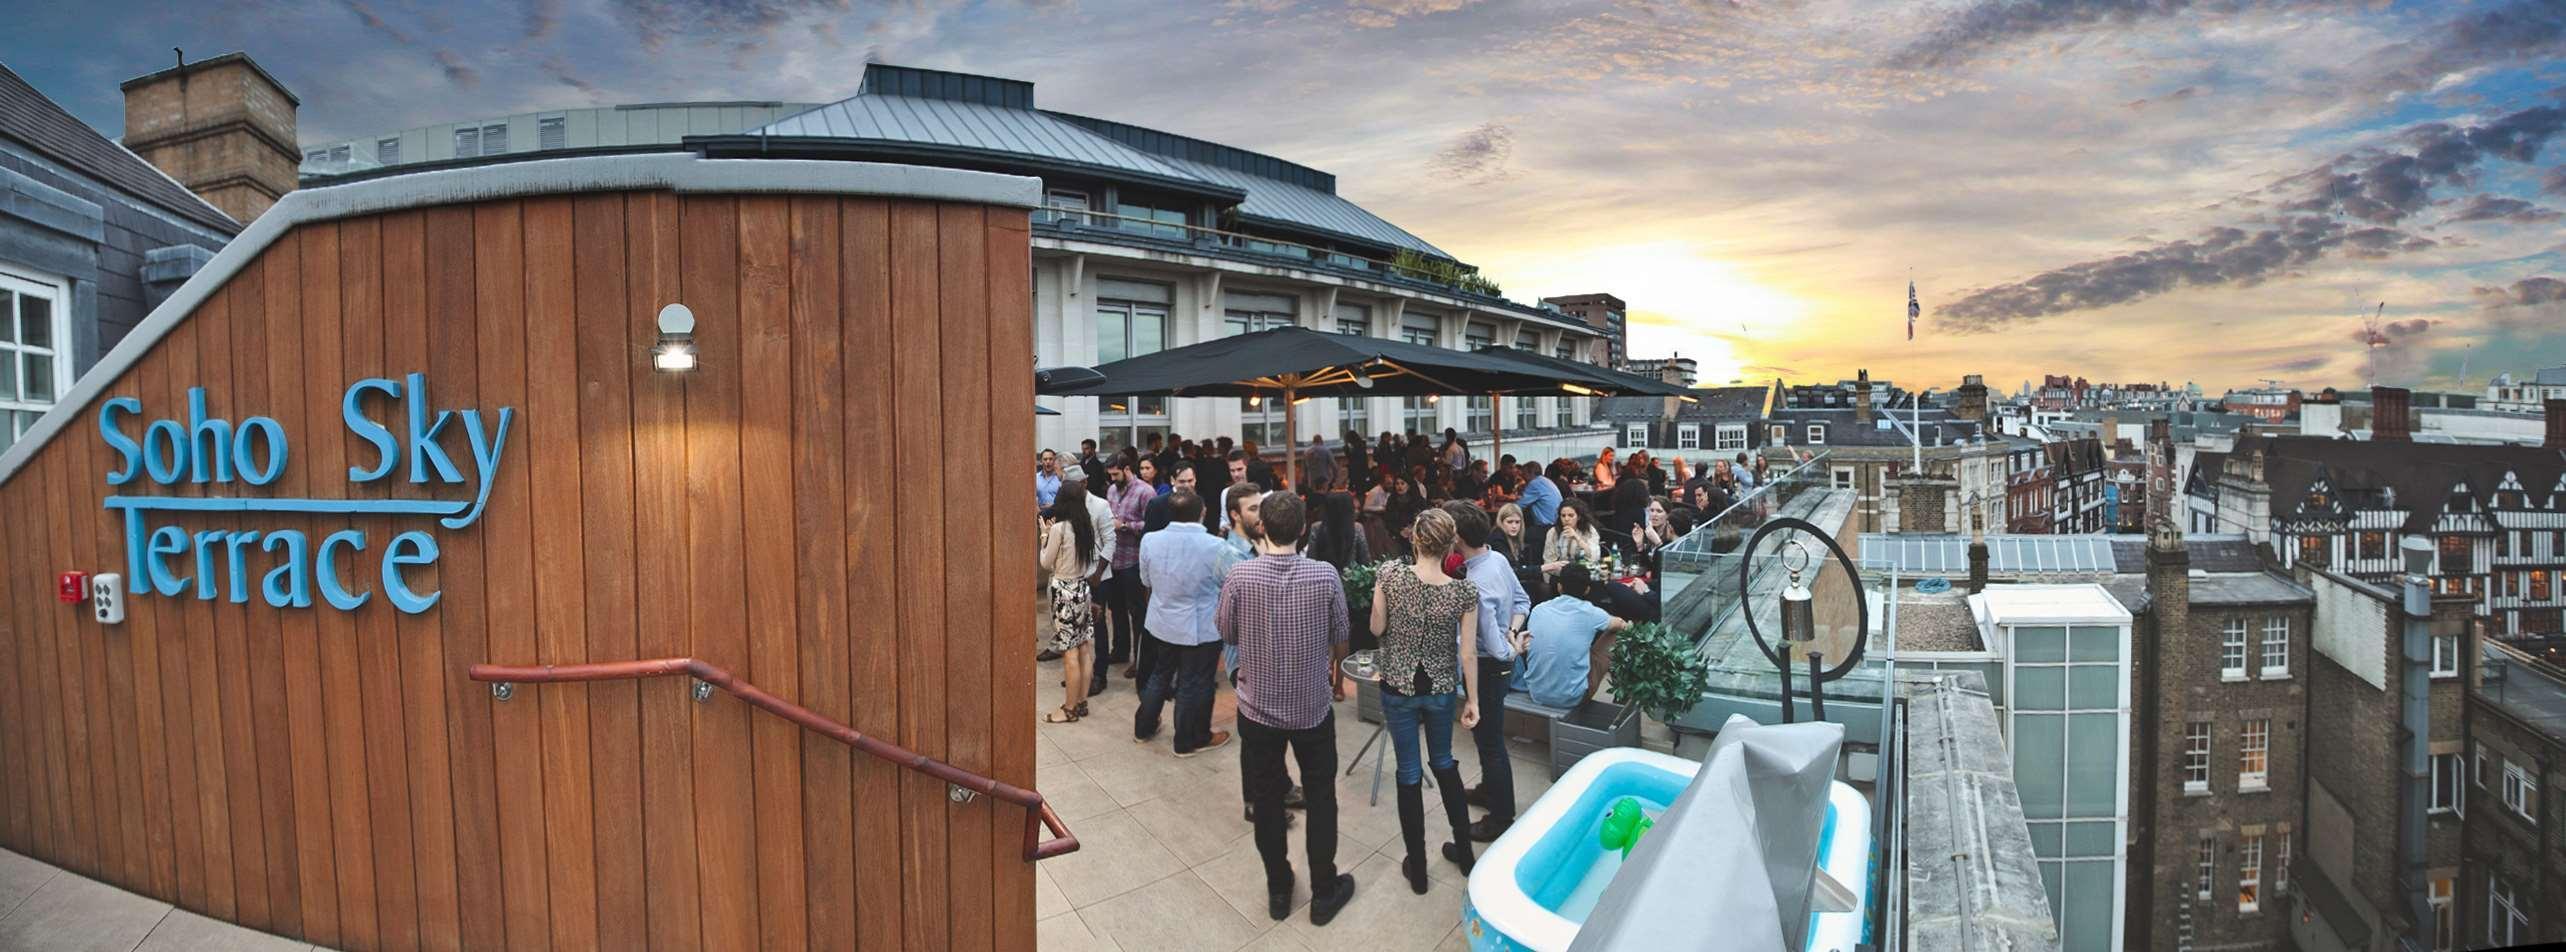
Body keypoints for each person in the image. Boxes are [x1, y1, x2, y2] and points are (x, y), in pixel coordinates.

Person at [1217, 491, 1358, 926]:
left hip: (1258, 708)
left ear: (1262, 528)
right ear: (1302, 530)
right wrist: (1330, 674)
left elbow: (1227, 631)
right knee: (1321, 797)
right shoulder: (1324, 576)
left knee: (1266, 798)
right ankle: (1323, 889)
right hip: (1312, 706)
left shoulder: (1241, 577)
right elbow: (1341, 636)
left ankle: (1279, 887)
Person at [1369, 508, 1481, 893]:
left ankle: (1417, 870)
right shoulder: (1464, 592)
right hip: (1440, 688)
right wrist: (1474, 701)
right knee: (1444, 762)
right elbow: (1468, 653)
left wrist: (1381, 601)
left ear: (1415, 540)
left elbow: (1376, 628)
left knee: (1408, 773)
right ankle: (1466, 854)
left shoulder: (1389, 576)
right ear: (1451, 544)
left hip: (1398, 687)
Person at [1446, 501, 1529, 841]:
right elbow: (1523, 602)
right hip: (1496, 663)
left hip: (1488, 667)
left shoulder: (1475, 584)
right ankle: (1488, 791)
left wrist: (1512, 645)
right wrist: (1512, 630)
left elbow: (1497, 650)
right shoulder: (1496, 559)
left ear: (1458, 538)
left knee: (1491, 742)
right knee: (1486, 740)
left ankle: (1500, 816)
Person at [1135, 489, 1236, 756]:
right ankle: (1190, 740)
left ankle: (1143, 728)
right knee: (1194, 683)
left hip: (1162, 621)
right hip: (1199, 626)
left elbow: (1146, 581)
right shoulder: (1216, 546)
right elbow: (1234, 584)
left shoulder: (1150, 540)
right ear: (1202, 513)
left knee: (1160, 674)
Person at [1512, 564, 1630, 709]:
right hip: (1572, 698)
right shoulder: (1591, 613)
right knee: (1618, 633)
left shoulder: (1538, 609)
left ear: (1559, 587)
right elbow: (1620, 625)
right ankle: (1623, 694)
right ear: (1587, 589)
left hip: (1536, 693)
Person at [1040, 490, 1101, 722]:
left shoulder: (1060, 528)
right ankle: (1082, 702)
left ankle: (1069, 709)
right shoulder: (1086, 526)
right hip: (1082, 589)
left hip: (1064, 591)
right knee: (1084, 646)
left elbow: (1046, 562)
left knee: (1070, 652)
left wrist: (1044, 537)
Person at [1101, 453, 1158, 692]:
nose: (1112, 479)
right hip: (1113, 559)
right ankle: (1120, 650)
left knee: (1138, 613)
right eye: (1110, 475)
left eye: (1116, 474)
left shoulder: (1146, 492)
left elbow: (1152, 525)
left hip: (1134, 560)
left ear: (1126, 469)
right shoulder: (1111, 491)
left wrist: (1124, 525)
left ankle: (1140, 659)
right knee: (1116, 610)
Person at [1541, 498, 1603, 581]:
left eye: (1571, 515)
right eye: (1563, 516)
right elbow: (1548, 561)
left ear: (1579, 517)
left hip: (1583, 575)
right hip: (1559, 575)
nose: (1566, 519)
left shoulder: (1589, 530)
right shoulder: (1553, 533)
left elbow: (1594, 557)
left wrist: (1577, 538)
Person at [1517, 460, 1562, 565]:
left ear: (1530, 473)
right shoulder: (1545, 481)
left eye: (1524, 474)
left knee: (1513, 533)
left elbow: (1518, 506)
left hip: (1546, 527)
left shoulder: (1534, 484)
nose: (1523, 477)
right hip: (1556, 524)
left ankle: (1522, 566)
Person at [1344, 429, 1372, 493]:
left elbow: (1352, 458)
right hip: (1361, 470)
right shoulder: (1360, 445)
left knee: (1358, 487)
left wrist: (1346, 449)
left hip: (1357, 471)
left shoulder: (1357, 447)